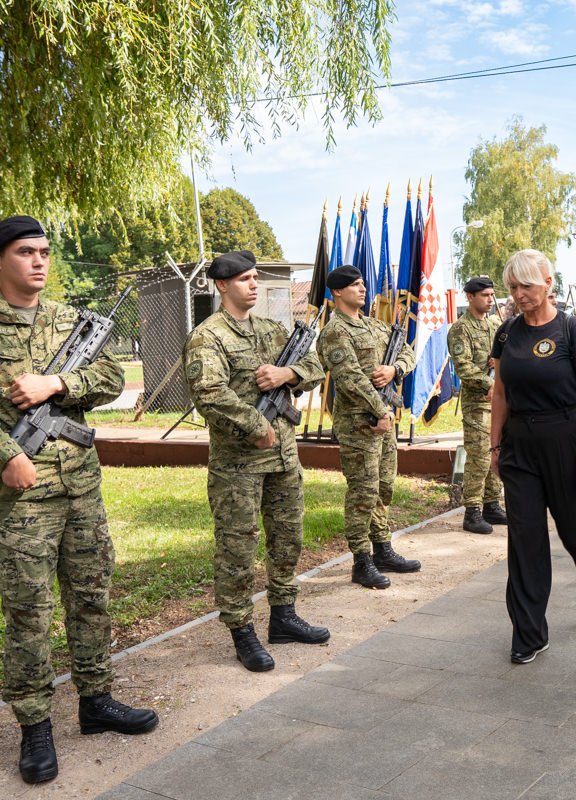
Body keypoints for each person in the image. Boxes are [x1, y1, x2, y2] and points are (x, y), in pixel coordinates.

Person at [0, 215, 157, 785]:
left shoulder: (70, 320)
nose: (40, 260)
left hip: (81, 487)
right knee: (29, 612)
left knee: (91, 596)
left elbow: (111, 377)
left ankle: (96, 700)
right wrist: (6, 454)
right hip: (22, 496)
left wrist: (59, 384)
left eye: (44, 251)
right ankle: (35, 725)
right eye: (26, 251)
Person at [184, 250, 330, 673]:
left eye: (255, 277)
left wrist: (288, 375)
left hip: (283, 458)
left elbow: (315, 365)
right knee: (238, 548)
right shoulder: (208, 337)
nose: (253, 284)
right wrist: (254, 425)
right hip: (239, 466)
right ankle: (242, 630)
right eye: (244, 279)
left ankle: (283, 616)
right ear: (222, 285)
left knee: (288, 538)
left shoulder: (271, 328)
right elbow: (209, 394)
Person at [490, 249, 576, 665]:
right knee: (525, 540)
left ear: (548, 283)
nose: (519, 294)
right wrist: (495, 446)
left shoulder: (572, 329)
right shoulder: (507, 333)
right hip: (520, 445)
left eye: (526, 286)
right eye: (513, 287)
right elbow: (500, 393)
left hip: (566, 437)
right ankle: (528, 633)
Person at [317, 265, 421, 590]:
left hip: (383, 421)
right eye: (355, 285)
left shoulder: (375, 325)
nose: (363, 289)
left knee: (384, 486)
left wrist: (394, 370)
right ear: (337, 292)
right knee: (363, 492)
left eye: (363, 284)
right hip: (358, 425)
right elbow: (350, 379)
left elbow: (407, 352)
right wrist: (381, 411)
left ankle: (383, 549)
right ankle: (361, 561)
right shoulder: (335, 332)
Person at [447, 275, 506, 535]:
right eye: (485, 295)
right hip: (477, 404)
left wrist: (500, 361)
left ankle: (491, 504)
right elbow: (463, 366)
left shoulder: (495, 326)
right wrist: (488, 382)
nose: (490, 299)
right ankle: (471, 511)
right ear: (470, 297)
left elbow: (507, 353)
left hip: (499, 403)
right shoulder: (461, 329)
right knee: (480, 456)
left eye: (492, 295)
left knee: (498, 451)